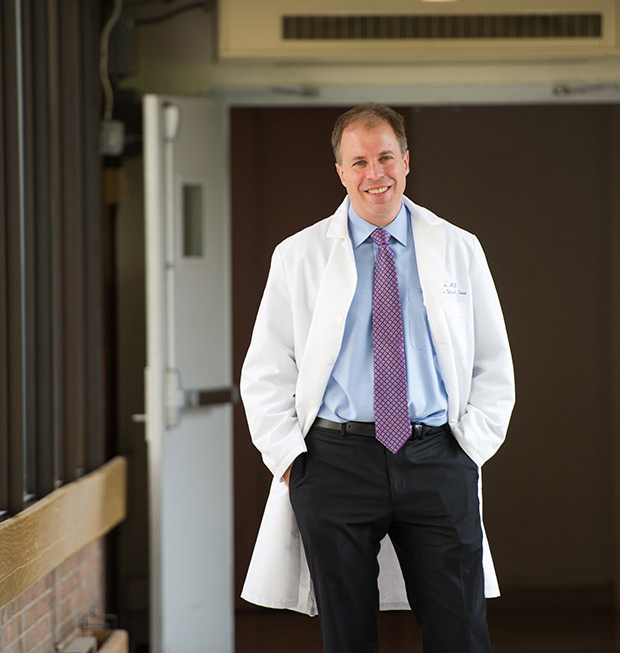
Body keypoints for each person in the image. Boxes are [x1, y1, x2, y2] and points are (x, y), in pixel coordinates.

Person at [239, 103, 515, 653]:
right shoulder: (297, 256)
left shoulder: (458, 248)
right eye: (359, 161)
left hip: (437, 459)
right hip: (334, 464)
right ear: (340, 171)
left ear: (407, 161)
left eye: (386, 157)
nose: (375, 174)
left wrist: (469, 452)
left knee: (460, 631)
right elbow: (267, 370)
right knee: (348, 637)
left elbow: (494, 363)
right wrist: (294, 463)